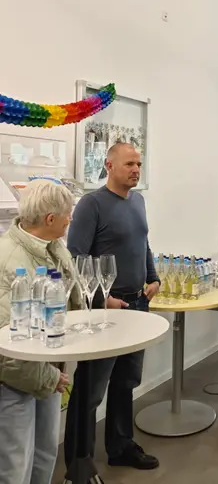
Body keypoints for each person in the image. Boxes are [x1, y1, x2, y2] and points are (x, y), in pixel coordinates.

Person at [64, 142, 160, 471]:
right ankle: (79, 465)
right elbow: (75, 258)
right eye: (129, 164)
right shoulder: (91, 204)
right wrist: (100, 300)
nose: (136, 170)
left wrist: (153, 277)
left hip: (138, 304)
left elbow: (144, 243)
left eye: (139, 164)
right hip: (106, 309)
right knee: (90, 391)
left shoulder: (139, 200)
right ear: (109, 166)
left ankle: (120, 447)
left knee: (126, 381)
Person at [0, 179, 82, 484]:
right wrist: (50, 376)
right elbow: (7, 345)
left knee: (45, 453)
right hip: (14, 381)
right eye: (67, 214)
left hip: (47, 370)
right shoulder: (8, 261)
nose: (70, 219)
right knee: (15, 468)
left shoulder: (53, 247)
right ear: (50, 219)